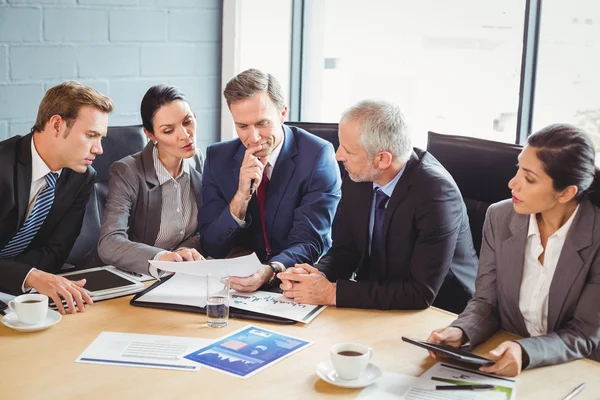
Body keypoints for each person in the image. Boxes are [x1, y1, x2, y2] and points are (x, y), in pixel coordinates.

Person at [427, 124, 600, 377]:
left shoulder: (595, 236)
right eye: (518, 168)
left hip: (578, 369)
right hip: (508, 360)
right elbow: (487, 302)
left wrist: (525, 351)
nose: (512, 183)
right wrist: (461, 331)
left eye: (529, 178)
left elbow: (584, 333)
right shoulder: (500, 217)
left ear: (566, 193)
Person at [278, 99, 478, 313]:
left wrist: (330, 293)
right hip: (376, 298)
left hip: (441, 312)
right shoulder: (360, 172)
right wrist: (315, 277)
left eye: (348, 150)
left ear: (383, 159)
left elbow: (420, 292)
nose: (338, 156)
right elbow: (346, 250)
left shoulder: (436, 194)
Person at [198, 68, 341, 292]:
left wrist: (270, 271)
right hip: (239, 282)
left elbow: (310, 241)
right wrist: (241, 197)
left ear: (283, 113)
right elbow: (212, 245)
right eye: (242, 126)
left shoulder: (317, 155)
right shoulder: (218, 158)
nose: (253, 138)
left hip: (296, 277)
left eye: (262, 123)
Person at [0, 81, 113, 314]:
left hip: (20, 294)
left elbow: (55, 252)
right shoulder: (2, 165)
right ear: (56, 125)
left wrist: (27, 280)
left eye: (101, 138)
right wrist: (28, 276)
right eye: (91, 135)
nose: (99, 149)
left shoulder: (82, 178)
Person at [97, 84, 204, 277]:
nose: (185, 135)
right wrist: (163, 258)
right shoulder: (127, 171)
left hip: (180, 275)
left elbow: (207, 226)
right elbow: (109, 242)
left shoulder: (199, 161)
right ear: (150, 135)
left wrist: (181, 253)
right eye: (169, 130)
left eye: (187, 121)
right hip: (134, 276)